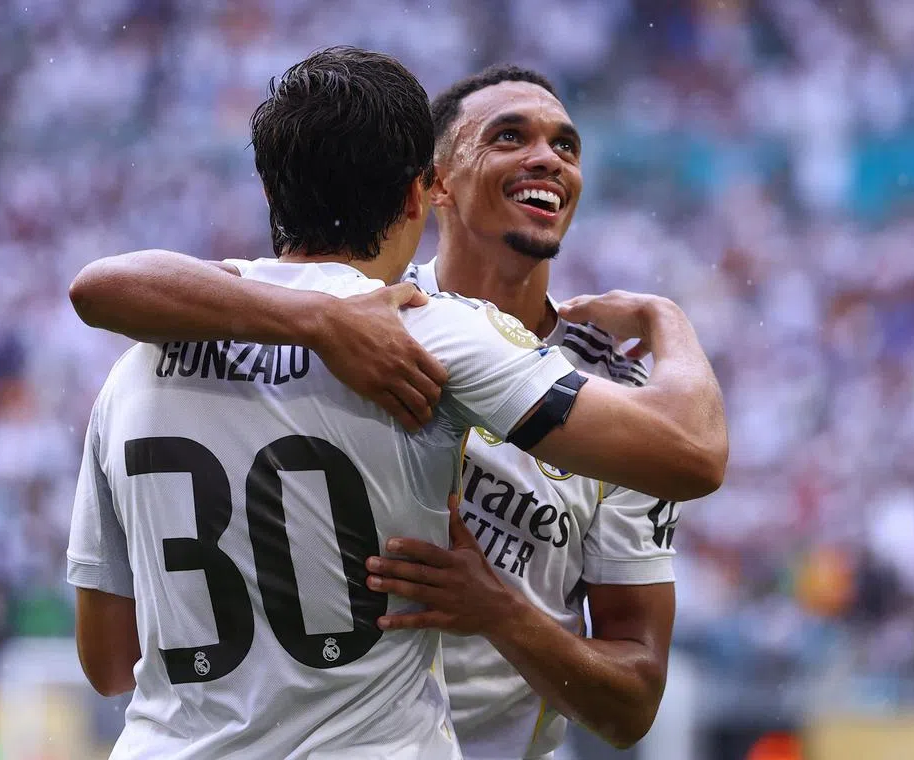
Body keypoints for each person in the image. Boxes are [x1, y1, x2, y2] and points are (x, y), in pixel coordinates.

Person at [69, 64, 728, 759]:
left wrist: (501, 614)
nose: (547, 159)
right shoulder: (432, 334)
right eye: (509, 136)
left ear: (269, 189)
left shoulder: (141, 360)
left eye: (566, 145)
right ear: (425, 188)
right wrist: (668, 319)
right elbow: (695, 456)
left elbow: (110, 663)